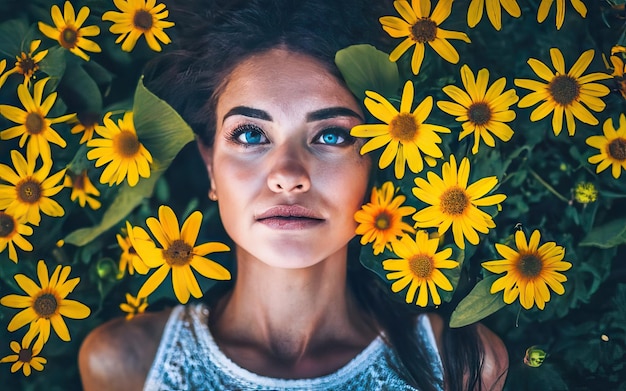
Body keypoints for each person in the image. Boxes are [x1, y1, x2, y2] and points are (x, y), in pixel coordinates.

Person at [78, 1, 508, 390]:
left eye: (332, 135)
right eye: (250, 134)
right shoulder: (125, 364)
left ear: (376, 161)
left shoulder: (463, 365)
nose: (287, 175)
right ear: (210, 165)